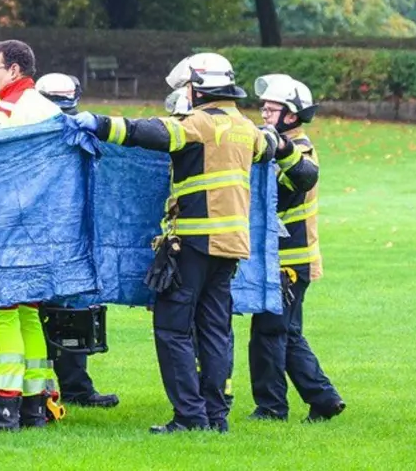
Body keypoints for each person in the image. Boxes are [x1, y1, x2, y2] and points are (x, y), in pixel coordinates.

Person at [74, 52, 289, 433]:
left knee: (173, 329)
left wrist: (100, 124)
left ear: (199, 87)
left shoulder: (200, 124)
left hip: (192, 243)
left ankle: (189, 417)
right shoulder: (245, 128)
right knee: (214, 331)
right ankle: (216, 417)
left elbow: (151, 132)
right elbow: (269, 148)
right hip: (231, 247)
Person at [0, 40, 63, 432]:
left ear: (15, 71)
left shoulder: (2, 112)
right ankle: (34, 409)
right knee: (29, 315)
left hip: (5, 226)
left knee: (3, 314)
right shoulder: (50, 108)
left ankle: (4, 412)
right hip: (42, 229)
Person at [248, 74, 346, 423]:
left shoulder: (299, 151)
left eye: (271, 109)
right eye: (263, 107)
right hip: (285, 260)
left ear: (291, 116)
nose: (263, 114)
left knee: (269, 334)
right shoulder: (276, 147)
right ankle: (323, 399)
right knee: (286, 333)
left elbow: (284, 191)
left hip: (289, 261)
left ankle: (272, 408)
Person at [32, 73, 120, 410]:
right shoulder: (31, 131)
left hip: (69, 237)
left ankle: (74, 388)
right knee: (46, 312)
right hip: (44, 237)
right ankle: (53, 389)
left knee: (71, 310)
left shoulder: (80, 130)